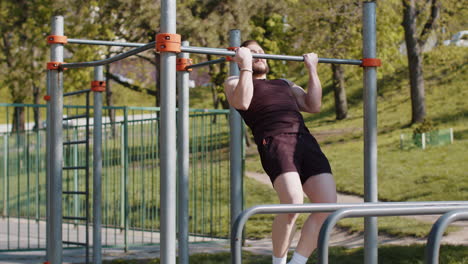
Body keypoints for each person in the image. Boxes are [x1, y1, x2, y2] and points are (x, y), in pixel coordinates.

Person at [224, 40, 337, 264]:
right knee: (293, 203)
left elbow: (313, 105)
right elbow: (243, 102)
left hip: (305, 140)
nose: (259, 56)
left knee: (328, 205)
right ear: (241, 58)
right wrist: (245, 65)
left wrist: (312, 69)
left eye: (262, 53)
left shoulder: (284, 83)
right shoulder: (234, 80)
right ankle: (278, 262)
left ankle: (298, 262)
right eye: (253, 53)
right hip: (275, 140)